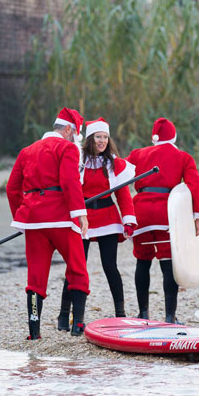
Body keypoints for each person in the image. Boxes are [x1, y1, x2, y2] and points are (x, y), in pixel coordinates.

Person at [7, 108, 90, 338]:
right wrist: (80, 213)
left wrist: (22, 216)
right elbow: (69, 181)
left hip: (34, 221)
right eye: (75, 133)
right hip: (61, 218)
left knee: (35, 279)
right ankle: (78, 326)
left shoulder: (27, 151)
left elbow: (12, 188)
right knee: (77, 269)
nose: (76, 139)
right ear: (68, 129)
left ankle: (34, 333)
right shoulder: (67, 147)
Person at [58, 118, 137, 329]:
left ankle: (120, 314)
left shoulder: (113, 163)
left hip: (108, 217)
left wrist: (128, 219)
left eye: (105, 137)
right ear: (90, 138)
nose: (102, 141)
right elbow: (69, 188)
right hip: (83, 218)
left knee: (110, 266)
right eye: (98, 137)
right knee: (76, 267)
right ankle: (64, 315)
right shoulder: (78, 159)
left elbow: (123, 195)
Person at [127, 118, 199, 323]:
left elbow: (119, 172)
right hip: (166, 214)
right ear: (174, 137)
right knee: (167, 264)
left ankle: (143, 313)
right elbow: (195, 186)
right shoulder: (182, 157)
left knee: (142, 261)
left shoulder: (138, 154)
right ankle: (170, 316)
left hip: (141, 214)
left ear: (154, 138)